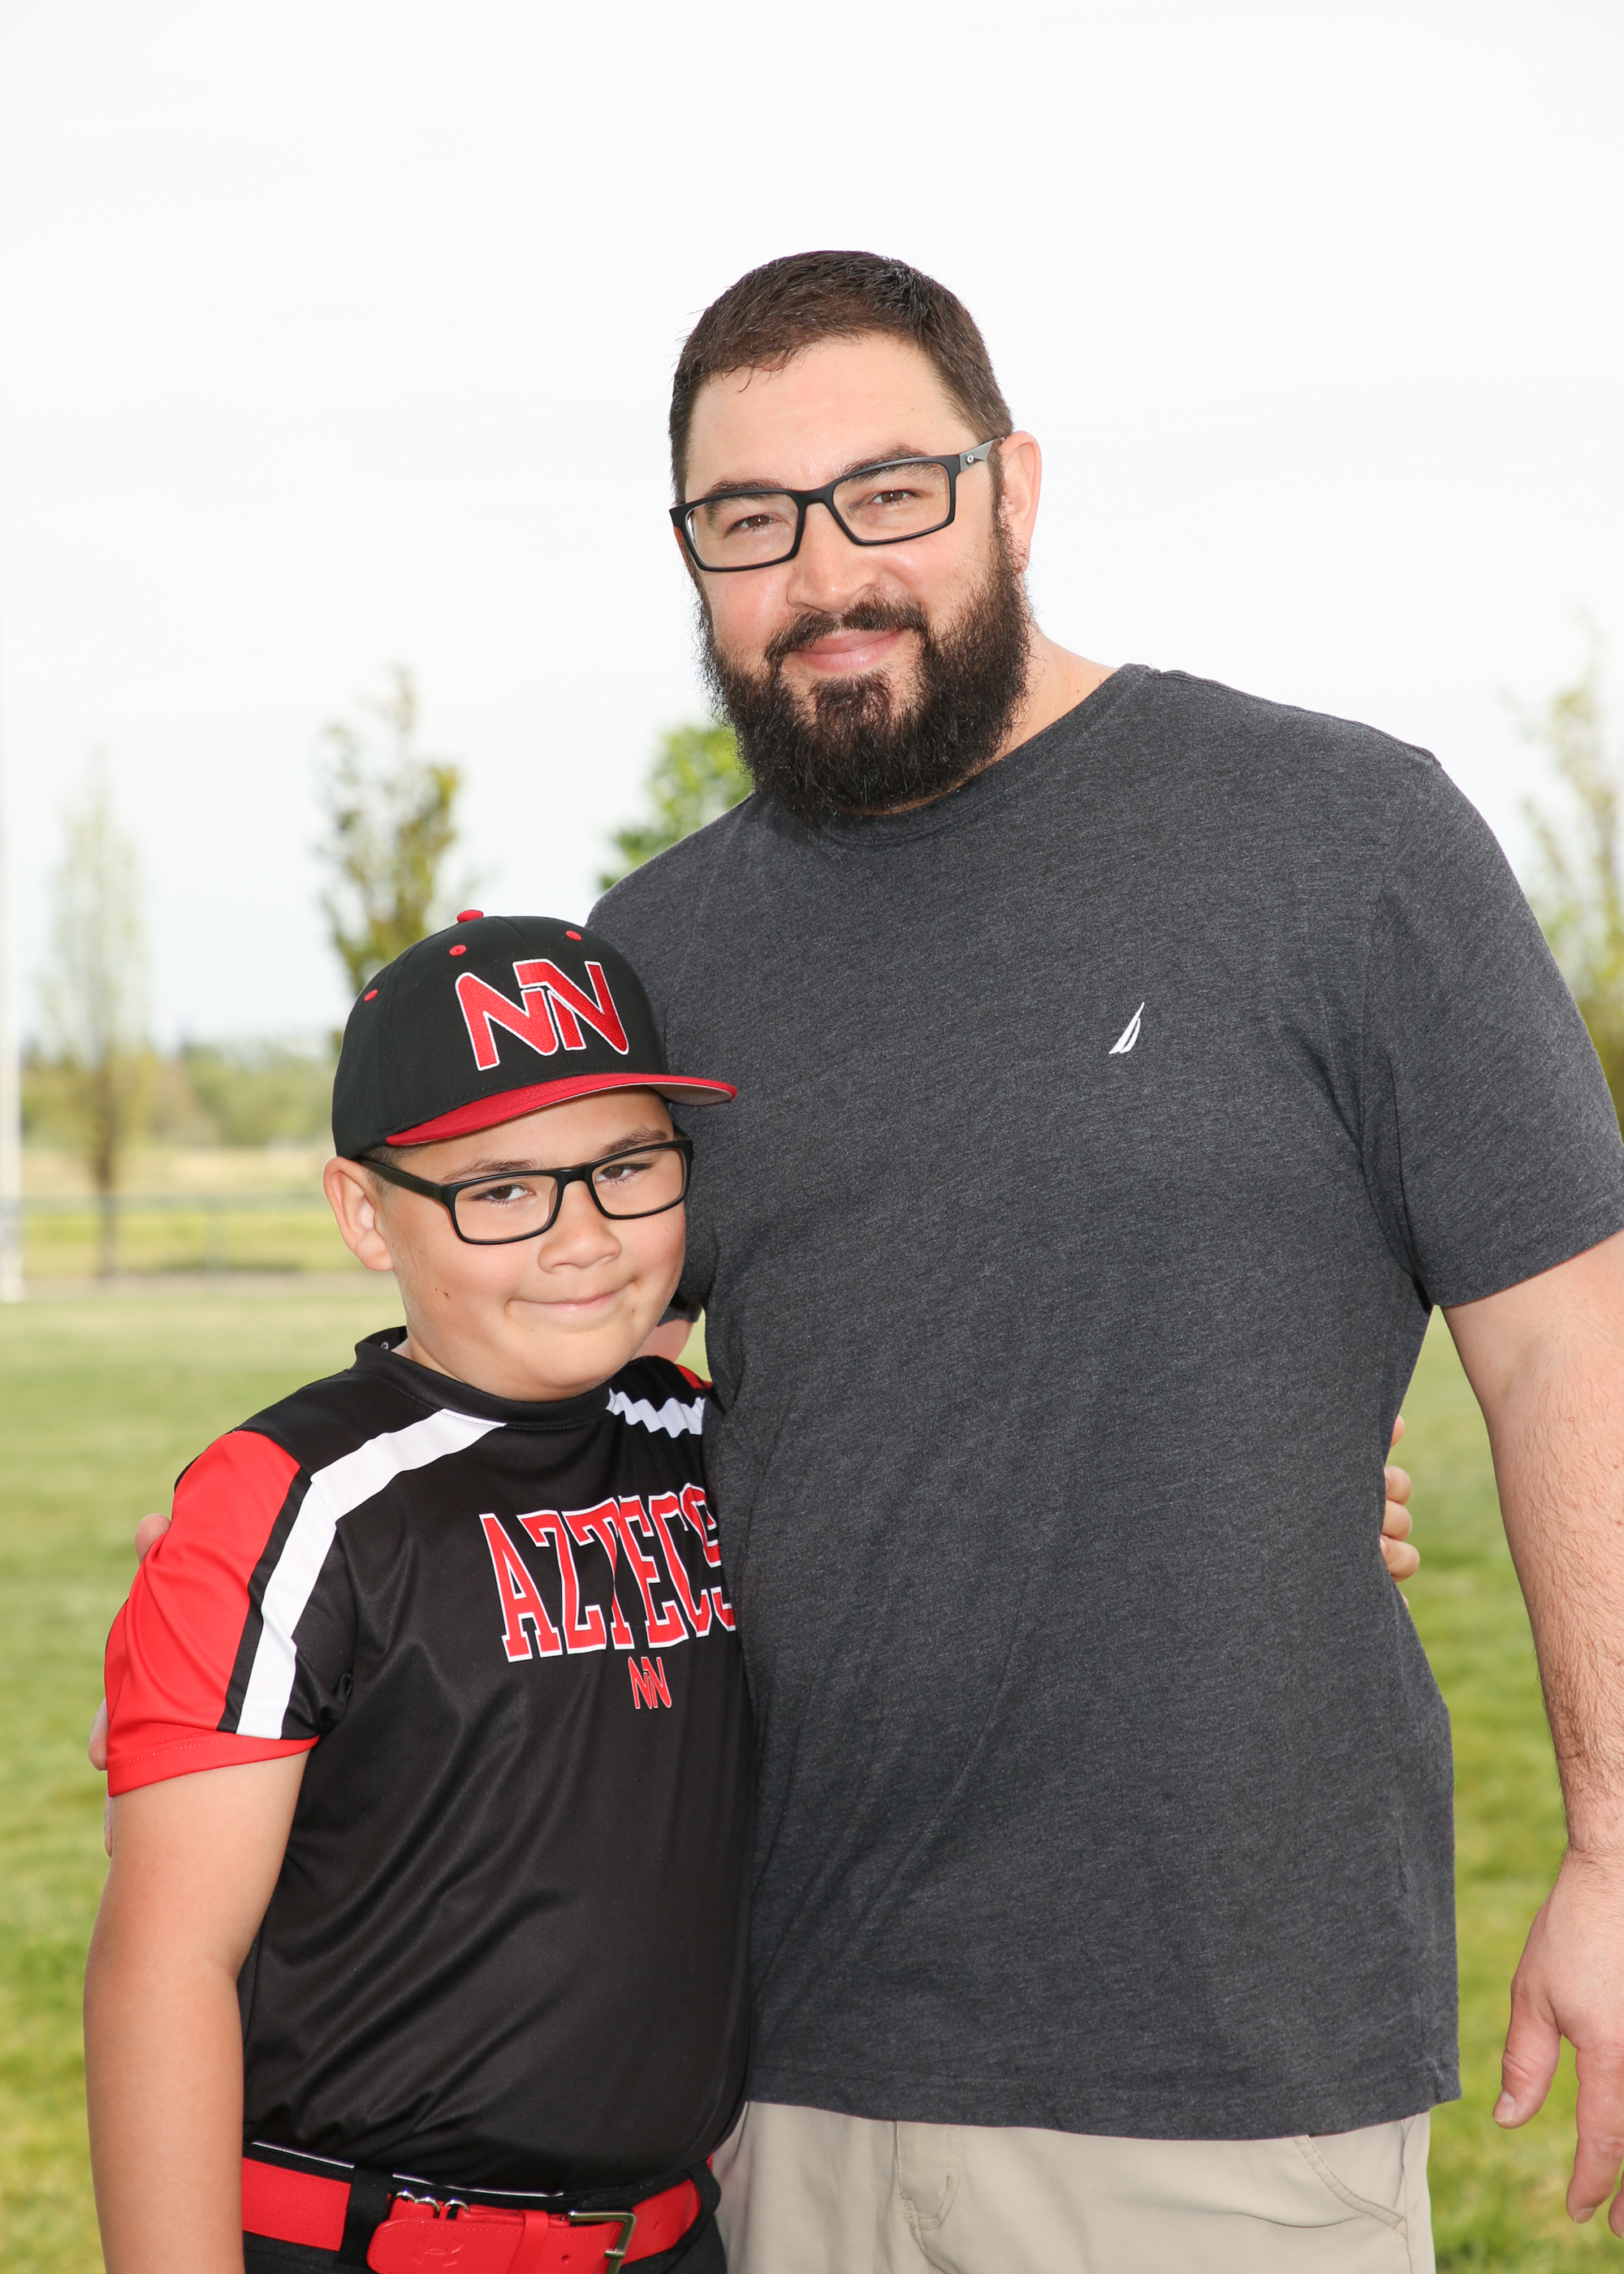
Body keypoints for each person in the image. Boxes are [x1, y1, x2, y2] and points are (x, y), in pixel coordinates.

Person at [583, 250, 1624, 2272]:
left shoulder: (1342, 839)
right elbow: (553, 1368)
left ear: (1016, 489)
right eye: (749, 519)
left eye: (889, 492)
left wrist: (1611, 1846)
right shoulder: (665, 946)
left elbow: (1565, 1346)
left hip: (1218, 2077)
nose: (826, 571)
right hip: (771, 2063)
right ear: (693, 555)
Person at [84, 913, 749, 2274]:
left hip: (670, 2238)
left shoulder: (717, 1446)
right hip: (366, 2240)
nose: (582, 1238)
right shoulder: (294, 1494)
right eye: (500, 1191)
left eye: (627, 1167)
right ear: (362, 1212)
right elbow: (163, 1968)